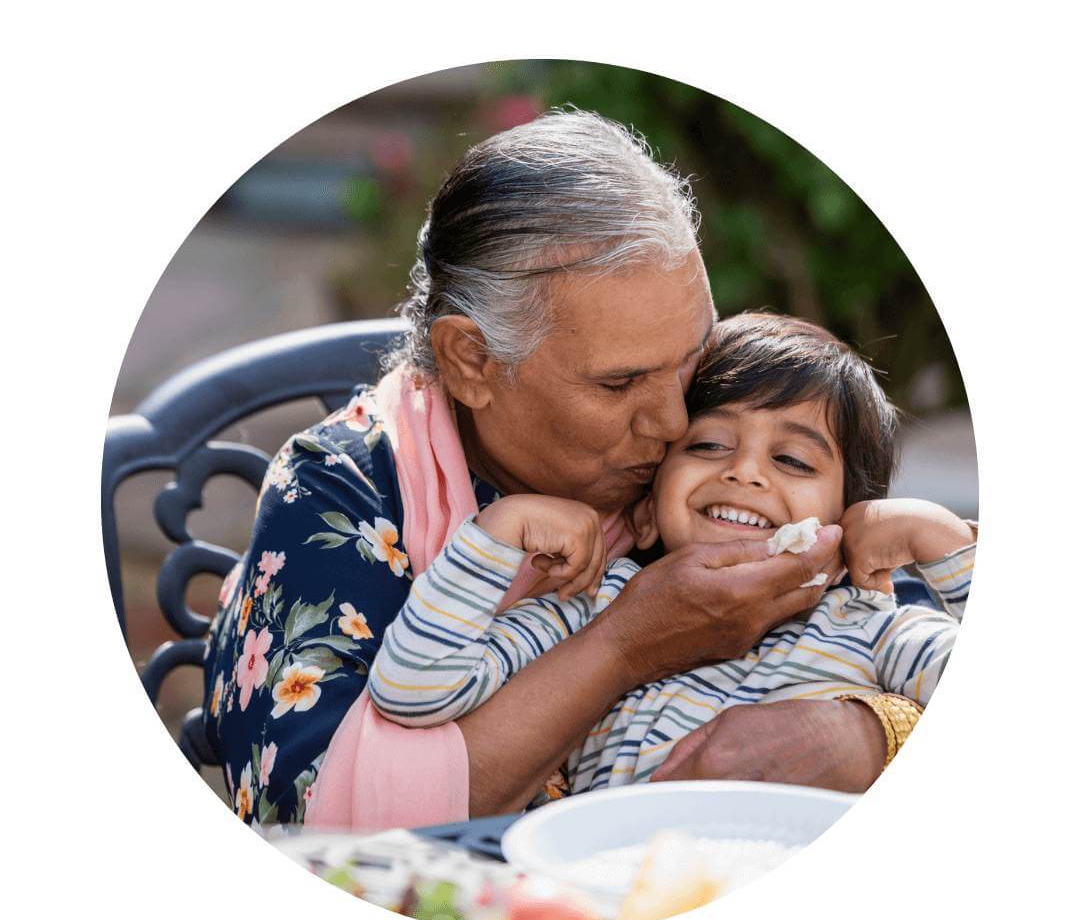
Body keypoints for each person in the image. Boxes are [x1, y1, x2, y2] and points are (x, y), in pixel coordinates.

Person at [203, 110, 890, 830]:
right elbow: (314, 831)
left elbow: (896, 614)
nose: (677, 423)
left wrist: (869, 731)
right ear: (472, 361)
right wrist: (626, 646)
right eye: (619, 384)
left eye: (690, 356)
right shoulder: (336, 496)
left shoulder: (709, 448)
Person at [366, 314, 975, 794]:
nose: (743, 472)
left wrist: (941, 539)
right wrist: (497, 533)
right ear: (646, 505)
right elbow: (413, 692)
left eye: (791, 460)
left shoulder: (871, 626)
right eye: (708, 444)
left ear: (847, 526)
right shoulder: (586, 605)